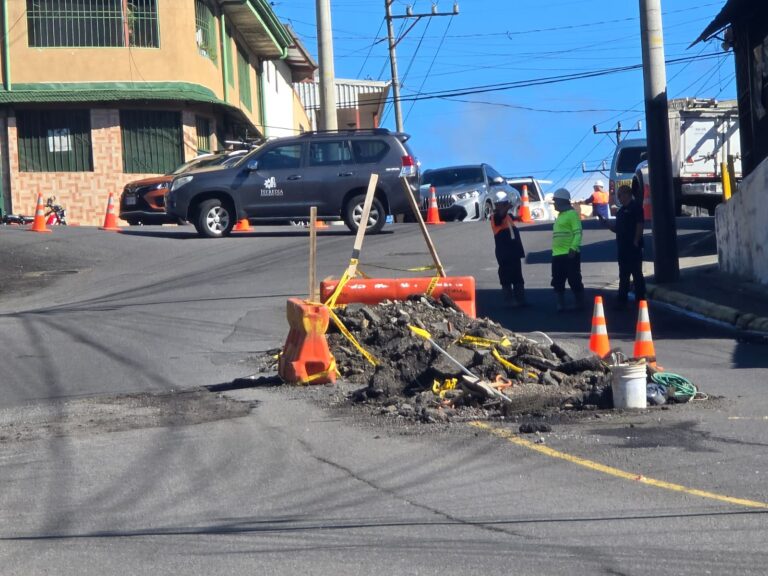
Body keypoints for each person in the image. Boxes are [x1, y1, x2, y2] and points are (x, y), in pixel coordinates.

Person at [598, 184, 646, 309]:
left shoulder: (635, 207)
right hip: (623, 246)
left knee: (636, 273)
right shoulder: (620, 211)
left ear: (627, 194)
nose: (619, 198)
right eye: (618, 195)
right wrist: (606, 223)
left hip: (633, 246)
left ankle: (641, 298)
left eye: (620, 195)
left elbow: (640, 224)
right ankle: (622, 297)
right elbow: (617, 229)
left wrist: (636, 240)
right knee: (623, 273)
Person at [490, 191, 526, 307]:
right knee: (506, 276)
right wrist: (507, 207)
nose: (506, 205)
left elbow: (512, 216)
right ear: (498, 204)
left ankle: (520, 300)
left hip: (514, 252)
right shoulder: (495, 217)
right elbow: (500, 216)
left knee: (518, 277)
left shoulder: (508, 216)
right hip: (504, 253)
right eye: (503, 204)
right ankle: (509, 301)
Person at [551, 188, 585, 312]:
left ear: (561, 201)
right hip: (557, 254)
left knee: (574, 279)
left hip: (569, 254)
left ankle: (579, 303)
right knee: (557, 280)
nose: (554, 203)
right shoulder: (560, 215)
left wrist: (573, 248)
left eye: (555, 201)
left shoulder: (571, 214)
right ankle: (560, 305)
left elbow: (578, 233)